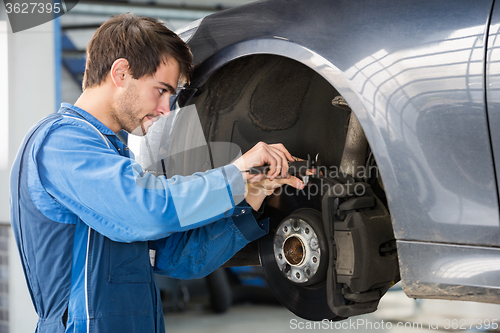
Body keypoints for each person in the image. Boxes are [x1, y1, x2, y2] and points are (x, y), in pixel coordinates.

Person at [9, 13, 304, 333]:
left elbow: (180, 258)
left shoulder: (112, 155)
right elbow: (146, 209)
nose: (166, 109)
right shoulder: (61, 143)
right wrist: (233, 175)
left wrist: (252, 194)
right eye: (161, 90)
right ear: (121, 73)